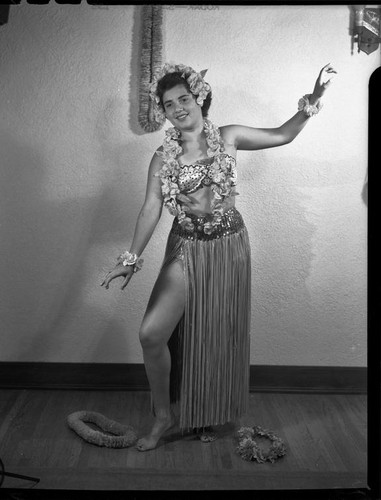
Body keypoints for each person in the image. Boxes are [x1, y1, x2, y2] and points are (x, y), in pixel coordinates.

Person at [101, 62, 337, 452]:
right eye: (168, 104)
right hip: (186, 246)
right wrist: (131, 257)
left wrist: (314, 98)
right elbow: (150, 208)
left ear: (199, 98)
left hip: (230, 246)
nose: (178, 108)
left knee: (214, 332)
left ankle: (207, 411)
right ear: (163, 111)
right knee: (152, 333)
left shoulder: (229, 136)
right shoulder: (163, 157)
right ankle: (164, 415)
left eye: (184, 99)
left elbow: (283, 134)